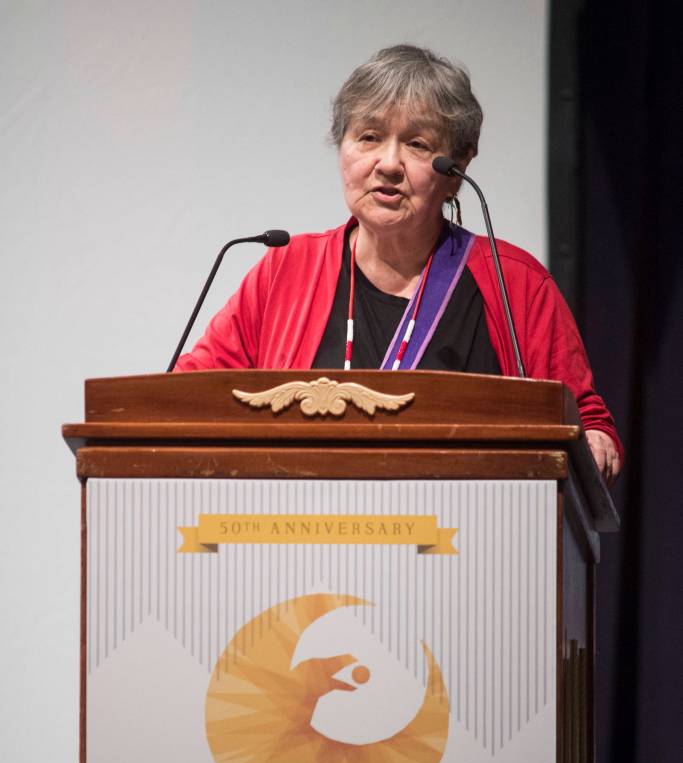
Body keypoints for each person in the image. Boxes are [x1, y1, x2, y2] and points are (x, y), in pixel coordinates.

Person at [175, 44, 622, 482]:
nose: (388, 164)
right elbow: (189, 395)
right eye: (369, 137)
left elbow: (582, 417)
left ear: (458, 167)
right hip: (302, 524)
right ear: (342, 147)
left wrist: (595, 441)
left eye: (417, 144)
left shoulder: (517, 283)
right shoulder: (286, 270)